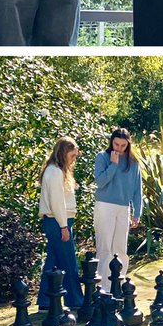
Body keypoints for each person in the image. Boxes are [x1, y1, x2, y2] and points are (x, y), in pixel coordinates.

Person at [92, 128, 144, 293]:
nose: (119, 148)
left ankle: (118, 285)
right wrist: (113, 165)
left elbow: (138, 189)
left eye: (123, 145)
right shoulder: (102, 157)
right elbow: (101, 182)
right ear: (111, 141)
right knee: (104, 247)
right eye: (116, 144)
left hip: (123, 208)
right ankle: (102, 287)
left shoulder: (133, 162)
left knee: (120, 248)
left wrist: (137, 213)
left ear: (128, 144)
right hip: (104, 206)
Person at [39, 135, 82, 310]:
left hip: (57, 221)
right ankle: (75, 300)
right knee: (68, 262)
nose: (73, 160)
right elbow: (57, 202)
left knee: (53, 262)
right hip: (58, 222)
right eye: (72, 156)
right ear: (64, 153)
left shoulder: (54, 170)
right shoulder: (55, 172)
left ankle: (45, 301)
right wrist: (64, 226)